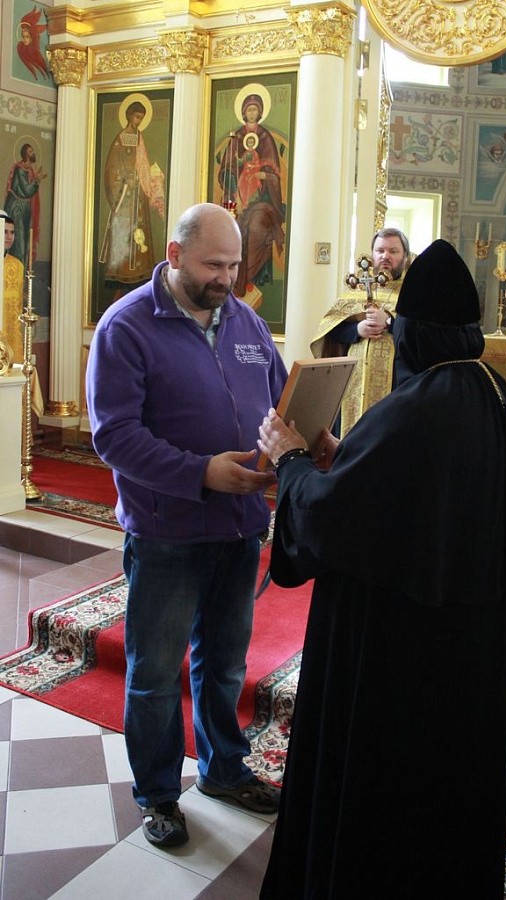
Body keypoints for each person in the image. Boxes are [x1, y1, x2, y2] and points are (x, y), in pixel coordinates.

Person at [257, 238, 506, 898]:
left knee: (389, 802)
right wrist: (343, 455)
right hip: (470, 643)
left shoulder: (417, 408)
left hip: (402, 653)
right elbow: (401, 491)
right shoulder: (496, 394)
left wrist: (291, 459)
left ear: (412, 331)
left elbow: (331, 519)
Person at [86, 202, 288, 848]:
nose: (226, 278)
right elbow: (114, 436)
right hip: (166, 531)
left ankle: (224, 771)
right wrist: (201, 473)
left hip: (240, 527)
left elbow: (282, 399)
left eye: (234, 265)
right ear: (174, 256)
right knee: (154, 674)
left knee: (225, 665)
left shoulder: (246, 321)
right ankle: (159, 795)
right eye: (213, 265)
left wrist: (301, 444)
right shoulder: (126, 326)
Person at [310, 226, 412, 436]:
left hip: (396, 385)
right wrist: (357, 329)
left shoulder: (413, 292)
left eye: (393, 251)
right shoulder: (356, 289)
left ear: (405, 256)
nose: (385, 256)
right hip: (352, 384)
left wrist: (390, 322)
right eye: (380, 250)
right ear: (372, 254)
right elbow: (331, 330)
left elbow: (420, 335)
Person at [218, 91, 285, 297]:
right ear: (244, 112)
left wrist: (263, 175)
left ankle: (250, 277)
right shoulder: (236, 136)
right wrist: (235, 189)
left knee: (256, 227)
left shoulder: (265, 137)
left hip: (263, 199)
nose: (252, 113)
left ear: (261, 112)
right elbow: (226, 170)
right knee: (234, 228)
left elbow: (274, 175)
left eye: (255, 109)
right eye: (249, 109)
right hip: (238, 197)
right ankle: (233, 281)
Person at [99, 100, 165, 294]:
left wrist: (149, 176)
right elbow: (112, 167)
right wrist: (126, 180)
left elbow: (142, 164)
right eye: (137, 117)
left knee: (141, 233)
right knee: (124, 234)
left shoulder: (139, 137)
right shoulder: (121, 138)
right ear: (129, 116)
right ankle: (121, 277)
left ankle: (141, 274)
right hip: (125, 195)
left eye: (142, 118)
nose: (138, 121)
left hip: (138, 196)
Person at [4, 143, 46, 267]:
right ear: (25, 154)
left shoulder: (29, 170)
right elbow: (27, 191)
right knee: (19, 245)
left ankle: (21, 274)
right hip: (16, 209)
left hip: (25, 210)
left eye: (32, 151)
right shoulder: (19, 169)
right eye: (30, 151)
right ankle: (15, 274)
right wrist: (37, 180)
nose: (33, 153)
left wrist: (36, 179)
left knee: (25, 244)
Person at [2, 215, 25, 362]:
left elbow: (18, 305)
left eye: (12, 232)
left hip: (10, 337)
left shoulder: (17, 266)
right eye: (5, 232)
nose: (9, 237)